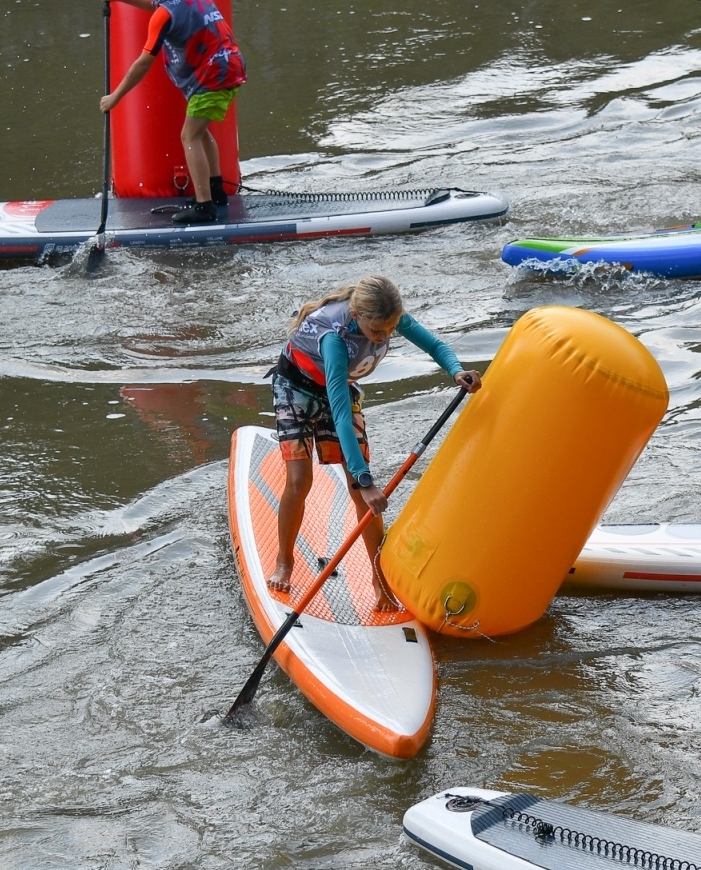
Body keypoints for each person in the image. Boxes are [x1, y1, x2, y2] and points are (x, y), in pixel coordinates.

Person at [267, 275, 481, 608]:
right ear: (358, 315)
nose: (384, 336)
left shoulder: (389, 316)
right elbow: (339, 412)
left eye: (390, 329)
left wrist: (456, 371)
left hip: (335, 391)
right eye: (377, 331)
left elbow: (435, 346)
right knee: (300, 480)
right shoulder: (335, 339)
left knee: (363, 496)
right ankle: (284, 561)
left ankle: (379, 581)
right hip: (296, 391)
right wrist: (365, 480)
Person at [100, 0, 247, 224]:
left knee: (190, 136)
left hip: (214, 74)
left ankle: (204, 206)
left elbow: (143, 63)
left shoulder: (163, 15)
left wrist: (115, 97)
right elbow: (156, 7)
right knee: (200, 131)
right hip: (229, 65)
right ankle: (215, 191)